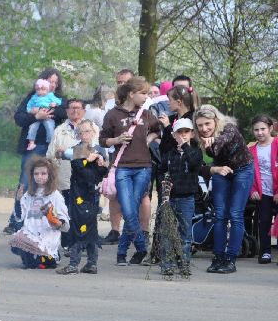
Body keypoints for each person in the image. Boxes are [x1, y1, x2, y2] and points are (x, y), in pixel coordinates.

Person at [100, 76, 160, 266]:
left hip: (143, 166)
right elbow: (103, 140)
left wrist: (149, 139)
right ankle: (141, 249)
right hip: (122, 167)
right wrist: (117, 140)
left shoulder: (146, 113)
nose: (146, 96)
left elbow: (158, 129)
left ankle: (122, 252)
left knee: (132, 209)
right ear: (131, 94)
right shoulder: (112, 114)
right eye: (143, 93)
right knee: (128, 209)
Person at [194, 104, 255, 274]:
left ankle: (230, 259)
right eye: (200, 125)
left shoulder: (229, 128)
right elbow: (209, 158)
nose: (204, 128)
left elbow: (223, 140)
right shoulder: (200, 137)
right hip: (221, 170)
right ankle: (218, 256)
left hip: (242, 170)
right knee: (219, 215)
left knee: (235, 214)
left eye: (207, 124)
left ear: (215, 121)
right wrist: (208, 149)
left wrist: (212, 141)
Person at [6, 68, 66, 234]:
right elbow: (19, 117)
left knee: (52, 184)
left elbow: (63, 111)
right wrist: (35, 116)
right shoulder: (31, 98)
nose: (52, 85)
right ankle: (17, 220)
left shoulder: (59, 99)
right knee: (25, 182)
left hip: (52, 146)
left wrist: (49, 110)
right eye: (49, 81)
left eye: (55, 82)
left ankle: (51, 219)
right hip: (33, 146)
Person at [56, 121, 108, 275]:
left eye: (87, 131)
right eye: (81, 132)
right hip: (79, 194)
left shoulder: (99, 150)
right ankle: (78, 263)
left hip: (92, 194)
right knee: (79, 225)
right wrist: (88, 159)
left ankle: (87, 263)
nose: (85, 135)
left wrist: (101, 163)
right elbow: (77, 166)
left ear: (93, 132)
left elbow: (102, 172)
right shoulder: (76, 149)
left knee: (89, 227)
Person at [46, 98, 99, 244]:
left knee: (88, 211)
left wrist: (70, 153)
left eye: (78, 108)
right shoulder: (59, 130)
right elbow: (51, 155)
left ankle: (88, 242)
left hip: (89, 180)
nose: (75, 110)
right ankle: (69, 242)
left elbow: (95, 150)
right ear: (67, 111)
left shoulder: (93, 128)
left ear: (84, 110)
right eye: (71, 108)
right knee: (68, 211)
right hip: (66, 180)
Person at [156, 118, 203, 276]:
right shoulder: (169, 154)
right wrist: (164, 183)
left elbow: (194, 163)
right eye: (179, 132)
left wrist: (184, 145)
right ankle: (167, 264)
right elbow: (161, 169)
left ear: (192, 134)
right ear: (173, 134)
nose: (183, 135)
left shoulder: (195, 152)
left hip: (187, 198)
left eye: (186, 132)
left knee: (185, 232)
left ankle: (183, 263)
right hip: (170, 198)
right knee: (168, 231)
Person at [10, 156, 69, 269]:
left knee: (32, 263)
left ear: (50, 175)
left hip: (47, 237)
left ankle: (47, 258)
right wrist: (17, 201)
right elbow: (19, 217)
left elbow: (64, 220)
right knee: (16, 242)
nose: (39, 177)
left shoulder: (55, 195)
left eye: (43, 173)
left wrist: (58, 222)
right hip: (30, 234)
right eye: (36, 174)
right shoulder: (29, 194)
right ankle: (40, 259)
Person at [247, 115, 277, 264]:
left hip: (277, 190)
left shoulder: (277, 144)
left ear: (270, 128)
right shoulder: (251, 149)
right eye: (256, 130)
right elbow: (249, 173)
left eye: (263, 129)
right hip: (262, 192)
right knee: (263, 221)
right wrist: (252, 190)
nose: (260, 133)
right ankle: (265, 252)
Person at [25, 78, 63, 151]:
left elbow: (59, 101)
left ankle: (51, 143)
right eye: (38, 90)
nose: (40, 92)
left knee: (50, 127)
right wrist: (30, 111)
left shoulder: (50, 96)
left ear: (47, 89)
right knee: (32, 127)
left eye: (43, 89)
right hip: (37, 116)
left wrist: (55, 104)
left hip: (48, 116)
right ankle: (31, 142)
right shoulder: (34, 97)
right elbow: (29, 105)